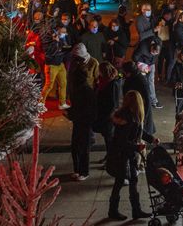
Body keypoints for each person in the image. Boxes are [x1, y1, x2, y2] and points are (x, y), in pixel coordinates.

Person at [105, 91, 154, 220]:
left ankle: (135, 210)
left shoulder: (129, 116)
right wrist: (137, 147)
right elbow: (122, 141)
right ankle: (114, 211)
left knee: (132, 180)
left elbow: (139, 132)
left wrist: (151, 139)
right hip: (122, 155)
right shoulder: (129, 118)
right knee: (120, 181)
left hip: (127, 153)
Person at [67, 44, 99, 181]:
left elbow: (88, 108)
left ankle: (83, 171)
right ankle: (78, 169)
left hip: (84, 121)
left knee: (83, 146)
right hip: (78, 120)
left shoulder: (87, 91)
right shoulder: (79, 89)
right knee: (75, 145)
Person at [93, 62, 124, 164]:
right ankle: (109, 158)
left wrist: (109, 117)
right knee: (108, 139)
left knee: (109, 140)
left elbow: (113, 103)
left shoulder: (112, 84)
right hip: (104, 116)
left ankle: (111, 161)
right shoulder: (106, 82)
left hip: (108, 117)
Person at [121, 61, 157, 137]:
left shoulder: (140, 81)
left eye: (124, 72)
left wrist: (144, 118)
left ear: (129, 72)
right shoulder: (131, 77)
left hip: (140, 111)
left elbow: (147, 100)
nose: (123, 73)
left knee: (140, 135)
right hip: (134, 109)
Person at [42, 24, 72, 108]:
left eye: (65, 32)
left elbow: (65, 48)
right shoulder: (48, 40)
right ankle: (40, 103)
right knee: (49, 85)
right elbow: (49, 52)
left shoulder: (63, 38)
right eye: (62, 32)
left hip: (60, 63)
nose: (64, 34)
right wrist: (55, 41)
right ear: (57, 31)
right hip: (52, 65)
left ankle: (62, 103)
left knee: (63, 83)